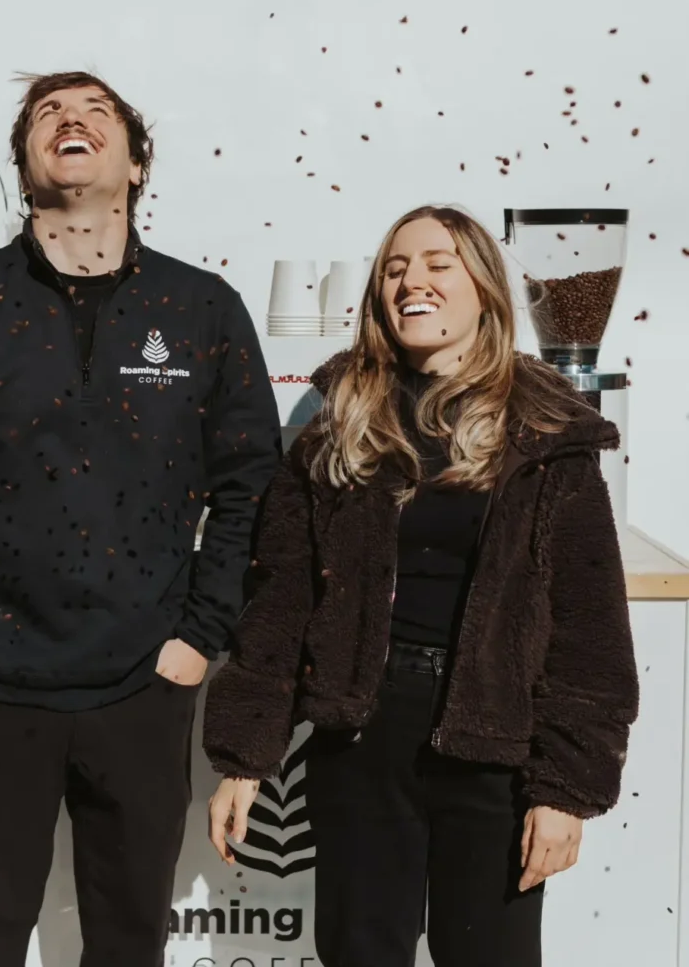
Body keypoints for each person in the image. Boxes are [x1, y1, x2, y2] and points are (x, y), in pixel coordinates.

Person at [0, 70, 281, 967]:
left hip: (144, 685)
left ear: (136, 165)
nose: (71, 120)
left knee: (128, 943)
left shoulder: (200, 308)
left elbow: (255, 487)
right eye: (48, 113)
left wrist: (200, 635)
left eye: (98, 112)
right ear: (22, 164)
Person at [204, 205, 639, 967]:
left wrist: (565, 788)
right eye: (396, 268)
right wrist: (245, 755)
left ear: (484, 288)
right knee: (359, 952)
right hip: (362, 736)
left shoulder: (547, 432)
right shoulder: (340, 420)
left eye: (438, 264)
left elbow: (587, 625)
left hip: (493, 740)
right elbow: (280, 599)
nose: (414, 281)